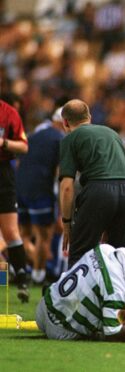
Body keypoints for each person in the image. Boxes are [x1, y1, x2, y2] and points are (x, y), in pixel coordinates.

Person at [36, 239, 125, 341]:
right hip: (59, 329)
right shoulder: (117, 288)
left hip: (43, 307)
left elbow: (101, 285)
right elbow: (113, 335)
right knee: (121, 329)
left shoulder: (105, 249)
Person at [59, 99, 125, 267]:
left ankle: (74, 293)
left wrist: (66, 223)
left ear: (65, 122)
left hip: (99, 189)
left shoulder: (71, 139)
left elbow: (66, 187)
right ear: (90, 117)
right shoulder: (112, 133)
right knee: (121, 255)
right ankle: (122, 292)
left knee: (81, 252)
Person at [16, 107, 65, 284]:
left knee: (23, 235)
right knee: (44, 237)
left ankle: (27, 266)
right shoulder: (60, 139)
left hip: (20, 188)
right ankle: (38, 276)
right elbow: (61, 175)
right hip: (41, 191)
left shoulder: (33, 135)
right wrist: (62, 208)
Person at [0, 98, 30, 302]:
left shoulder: (9, 113)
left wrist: (3, 143)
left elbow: (24, 147)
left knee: (10, 231)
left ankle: (22, 278)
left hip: (3, 174)